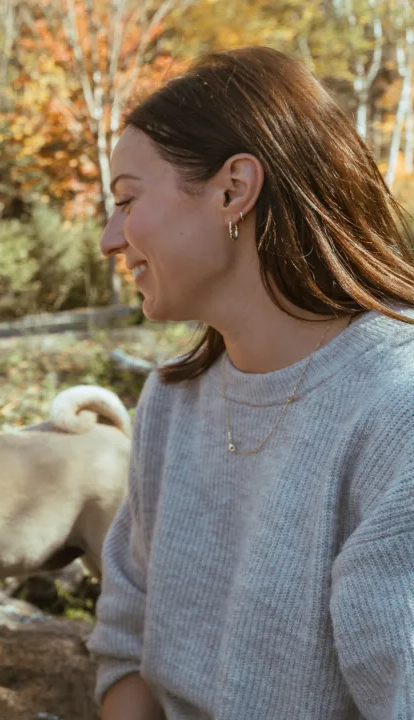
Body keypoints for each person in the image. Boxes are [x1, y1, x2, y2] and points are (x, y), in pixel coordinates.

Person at [89, 46, 414, 720]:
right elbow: (125, 644)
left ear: (233, 190)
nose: (109, 240)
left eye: (127, 200)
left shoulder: (396, 407)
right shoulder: (172, 401)